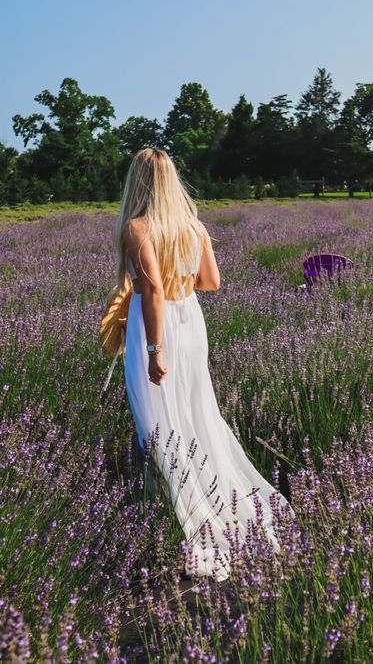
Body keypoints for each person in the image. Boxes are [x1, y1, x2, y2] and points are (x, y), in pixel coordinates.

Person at [112, 147, 295, 583]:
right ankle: (218, 505)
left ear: (136, 182)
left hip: (157, 329)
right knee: (198, 417)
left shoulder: (137, 228)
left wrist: (155, 350)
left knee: (159, 425)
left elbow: (152, 291)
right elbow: (211, 282)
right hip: (190, 323)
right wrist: (180, 277)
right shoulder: (193, 226)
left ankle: (184, 518)